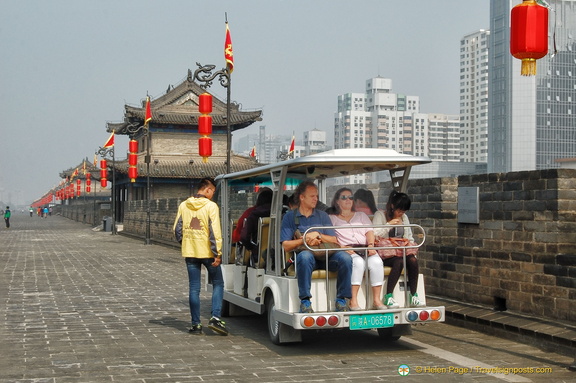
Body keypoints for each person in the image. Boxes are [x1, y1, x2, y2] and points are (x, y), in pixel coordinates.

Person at [280, 180, 353, 313]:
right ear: (302, 197)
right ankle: (305, 301)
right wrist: (304, 240)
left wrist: (317, 235)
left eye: (317, 196)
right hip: (307, 257)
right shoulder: (290, 217)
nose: (316, 199)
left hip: (326, 255)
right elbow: (285, 246)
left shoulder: (322, 216)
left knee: (345, 258)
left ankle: (342, 299)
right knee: (305, 257)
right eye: (312, 196)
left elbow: (333, 239)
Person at [173, 178, 228, 336]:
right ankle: (215, 318)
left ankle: (196, 324)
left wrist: (186, 243)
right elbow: (215, 232)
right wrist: (218, 253)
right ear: (208, 190)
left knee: (194, 288)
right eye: (213, 192)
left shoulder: (184, 205)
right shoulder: (211, 206)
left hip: (190, 252)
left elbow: (176, 229)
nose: (212, 195)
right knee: (218, 283)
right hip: (208, 254)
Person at [327, 188, 385, 311]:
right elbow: (330, 237)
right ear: (337, 201)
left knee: (377, 262)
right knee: (357, 263)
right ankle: (353, 300)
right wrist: (341, 248)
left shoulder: (361, 216)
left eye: (350, 197)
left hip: (364, 247)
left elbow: (369, 231)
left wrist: (370, 245)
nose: (348, 200)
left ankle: (377, 300)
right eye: (344, 197)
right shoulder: (332, 218)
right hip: (347, 249)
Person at [373, 190, 423, 308]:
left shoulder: (404, 218)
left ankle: (413, 295)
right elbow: (375, 234)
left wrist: (406, 241)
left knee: (412, 260)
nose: (401, 213)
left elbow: (408, 236)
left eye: (404, 211)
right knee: (398, 261)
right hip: (386, 253)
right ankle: (388, 295)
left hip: (401, 250)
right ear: (392, 206)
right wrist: (389, 224)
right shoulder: (380, 215)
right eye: (399, 210)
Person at [240, 188, 273, 266]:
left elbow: (244, 237)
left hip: (258, 253)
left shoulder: (253, 215)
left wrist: (252, 247)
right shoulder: (281, 214)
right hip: (278, 253)